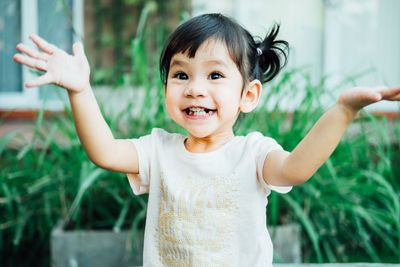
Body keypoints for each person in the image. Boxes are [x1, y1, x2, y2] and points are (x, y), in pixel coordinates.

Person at [13, 13, 400, 267]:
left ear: (248, 95)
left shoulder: (252, 153)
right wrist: (80, 91)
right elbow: (105, 152)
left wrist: (344, 111)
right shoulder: (158, 150)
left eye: (214, 76)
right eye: (181, 75)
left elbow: (296, 168)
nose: (195, 89)